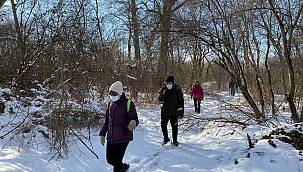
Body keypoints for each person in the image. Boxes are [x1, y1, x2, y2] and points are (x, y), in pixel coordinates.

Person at [99, 81, 139, 172]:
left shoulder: (128, 103)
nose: (111, 95)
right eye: (110, 93)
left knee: (116, 163)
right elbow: (107, 121)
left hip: (123, 137)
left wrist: (133, 122)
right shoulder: (110, 104)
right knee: (109, 160)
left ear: (120, 93)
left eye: (114, 93)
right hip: (111, 137)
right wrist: (102, 134)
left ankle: (119, 167)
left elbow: (134, 117)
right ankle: (123, 167)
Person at [158, 76, 184, 146]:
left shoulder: (177, 90)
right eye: (167, 83)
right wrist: (164, 93)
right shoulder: (163, 89)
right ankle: (166, 138)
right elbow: (159, 99)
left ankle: (175, 140)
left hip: (174, 112)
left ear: (172, 83)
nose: (168, 84)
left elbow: (181, 101)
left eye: (170, 83)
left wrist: (181, 112)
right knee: (163, 125)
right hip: (164, 111)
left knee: (174, 126)